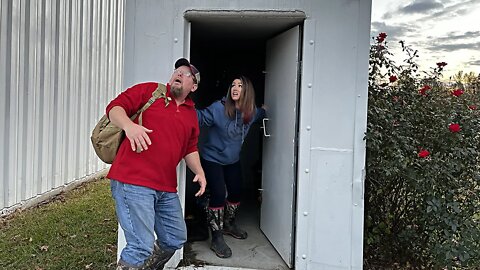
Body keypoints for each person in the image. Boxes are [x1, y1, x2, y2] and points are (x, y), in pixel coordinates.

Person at [106, 58, 207, 270]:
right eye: (177, 71)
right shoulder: (150, 92)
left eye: (186, 73)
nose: (179, 74)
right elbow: (114, 108)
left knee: (174, 238)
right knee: (140, 246)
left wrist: (199, 172)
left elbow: (190, 147)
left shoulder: (191, 115)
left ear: (194, 86)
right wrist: (129, 126)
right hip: (133, 181)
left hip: (165, 188)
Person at [196, 75, 265, 258]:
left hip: (232, 160)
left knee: (236, 191)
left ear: (247, 91)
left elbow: (262, 113)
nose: (235, 88)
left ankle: (228, 224)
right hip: (212, 158)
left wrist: (266, 110)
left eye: (240, 85)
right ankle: (217, 238)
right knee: (219, 194)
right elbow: (199, 117)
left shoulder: (251, 112)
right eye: (233, 85)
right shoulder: (219, 108)